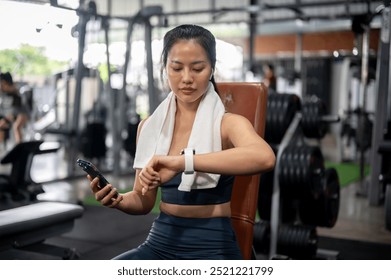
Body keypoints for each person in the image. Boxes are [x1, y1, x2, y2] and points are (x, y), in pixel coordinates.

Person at [87, 24, 276, 260]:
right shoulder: (149, 127)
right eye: (176, 68)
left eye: (198, 68)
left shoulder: (228, 124)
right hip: (160, 241)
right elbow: (143, 200)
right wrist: (118, 200)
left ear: (212, 69)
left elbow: (264, 157)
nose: (186, 78)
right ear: (165, 68)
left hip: (212, 244)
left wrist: (183, 162)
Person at [0, 72, 29, 144]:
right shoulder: (4, 92)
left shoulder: (16, 92)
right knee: (2, 125)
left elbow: (19, 111)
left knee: (16, 127)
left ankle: (20, 148)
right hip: (10, 114)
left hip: (21, 113)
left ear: (4, 82)